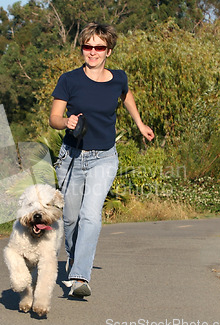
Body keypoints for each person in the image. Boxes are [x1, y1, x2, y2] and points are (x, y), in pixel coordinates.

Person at [49, 22, 155, 298]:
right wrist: (66, 122)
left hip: (104, 158)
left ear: (109, 50)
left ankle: (80, 276)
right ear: (82, 48)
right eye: (88, 46)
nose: (92, 52)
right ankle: (74, 259)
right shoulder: (69, 80)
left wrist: (139, 123)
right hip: (71, 157)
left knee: (90, 215)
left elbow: (126, 95)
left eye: (99, 47)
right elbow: (53, 119)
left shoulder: (118, 78)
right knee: (71, 220)